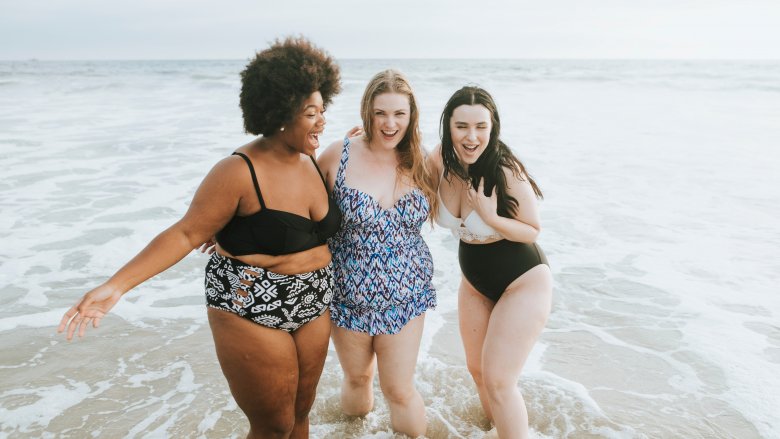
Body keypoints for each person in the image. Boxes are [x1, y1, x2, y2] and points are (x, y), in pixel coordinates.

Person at [57, 37, 342, 439]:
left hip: (314, 297)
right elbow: (187, 232)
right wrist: (115, 286)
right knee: (273, 426)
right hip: (249, 302)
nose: (322, 121)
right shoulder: (237, 171)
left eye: (323, 109)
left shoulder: (312, 158)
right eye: (311, 113)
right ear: (280, 113)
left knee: (300, 415)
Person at [316, 69, 437, 437]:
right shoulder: (339, 154)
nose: (389, 123)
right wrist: (227, 226)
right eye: (381, 112)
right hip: (347, 294)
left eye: (399, 114)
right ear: (367, 111)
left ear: (411, 116)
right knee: (357, 378)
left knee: (399, 389)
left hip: (406, 295)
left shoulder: (424, 161)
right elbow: (292, 202)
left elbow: (466, 199)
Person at [429, 86, 552, 439]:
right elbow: (399, 173)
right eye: (462, 126)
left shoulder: (505, 169)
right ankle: (498, 431)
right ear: (448, 126)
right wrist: (360, 145)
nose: (471, 137)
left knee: (499, 380)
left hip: (522, 280)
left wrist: (490, 216)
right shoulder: (439, 161)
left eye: (481, 126)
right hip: (475, 282)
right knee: (478, 371)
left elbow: (531, 230)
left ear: (493, 126)